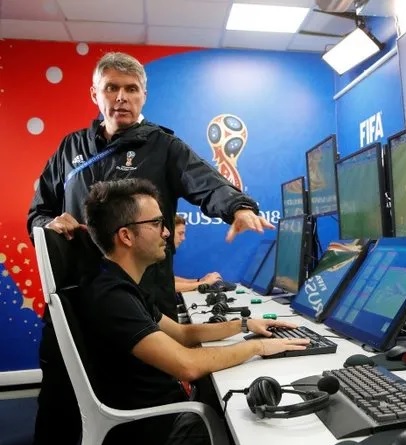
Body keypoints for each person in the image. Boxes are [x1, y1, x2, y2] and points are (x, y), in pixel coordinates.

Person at [27, 52, 274, 445]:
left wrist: (238, 207)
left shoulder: (163, 146)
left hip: (141, 295)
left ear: (144, 95)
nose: (121, 97)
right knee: (61, 405)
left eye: (131, 89)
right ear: (95, 94)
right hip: (76, 298)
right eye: (111, 88)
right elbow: (38, 212)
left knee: (144, 405)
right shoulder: (71, 149)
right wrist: (48, 224)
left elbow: (207, 183)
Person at [82, 178, 308, 445]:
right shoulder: (112, 296)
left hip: (172, 411)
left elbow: (183, 333)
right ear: (126, 236)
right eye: (157, 223)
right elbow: (187, 365)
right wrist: (257, 347)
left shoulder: (123, 285)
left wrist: (245, 325)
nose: (166, 232)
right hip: (160, 429)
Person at [173, 215, 222, 292]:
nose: (183, 238)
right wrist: (204, 283)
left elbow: (167, 279)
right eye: (180, 233)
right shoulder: (156, 254)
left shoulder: (166, 252)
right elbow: (166, 286)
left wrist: (199, 280)